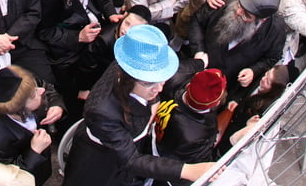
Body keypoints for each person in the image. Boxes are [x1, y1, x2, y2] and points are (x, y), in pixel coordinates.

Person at [62, 24, 214, 186]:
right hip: (101, 165)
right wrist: (186, 170)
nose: (160, 88)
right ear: (127, 77)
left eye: (161, 79)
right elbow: (131, 160)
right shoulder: (102, 111)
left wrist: (199, 64)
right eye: (149, 84)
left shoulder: (133, 63)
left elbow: (175, 70)